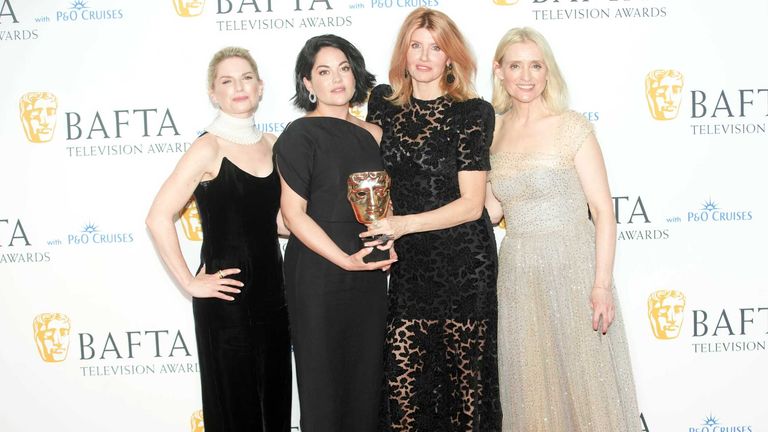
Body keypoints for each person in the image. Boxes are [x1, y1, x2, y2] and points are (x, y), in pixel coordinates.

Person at [485, 27, 640, 431]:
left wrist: (601, 284)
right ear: (498, 71)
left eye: (536, 65)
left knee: (589, 384)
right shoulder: (492, 131)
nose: (526, 76)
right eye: (515, 65)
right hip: (519, 273)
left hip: (573, 266)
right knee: (531, 386)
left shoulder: (572, 126)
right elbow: (491, 207)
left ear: (547, 71)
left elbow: (603, 211)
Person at [365, 8, 501, 431]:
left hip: (465, 266)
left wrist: (402, 225)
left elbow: (471, 204)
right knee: (404, 389)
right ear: (403, 52)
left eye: (436, 47)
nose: (424, 56)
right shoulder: (382, 105)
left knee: (466, 390)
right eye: (416, 45)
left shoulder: (473, 112)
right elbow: (367, 176)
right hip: (410, 269)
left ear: (450, 57)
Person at [145, 46, 291, 432]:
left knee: (274, 406)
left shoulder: (275, 145)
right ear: (214, 93)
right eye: (227, 81)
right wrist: (190, 283)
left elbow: (276, 222)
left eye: (246, 78)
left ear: (260, 88)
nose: (238, 87)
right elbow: (158, 216)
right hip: (226, 300)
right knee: (236, 411)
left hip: (274, 296)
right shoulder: (207, 147)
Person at [274, 34, 395, 432]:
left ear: (355, 73)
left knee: (365, 382)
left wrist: (388, 236)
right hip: (318, 272)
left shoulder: (374, 135)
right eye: (323, 71)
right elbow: (293, 216)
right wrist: (344, 259)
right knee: (323, 386)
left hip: (369, 273)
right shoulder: (298, 135)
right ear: (307, 84)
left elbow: (382, 202)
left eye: (343, 68)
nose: (336, 79)